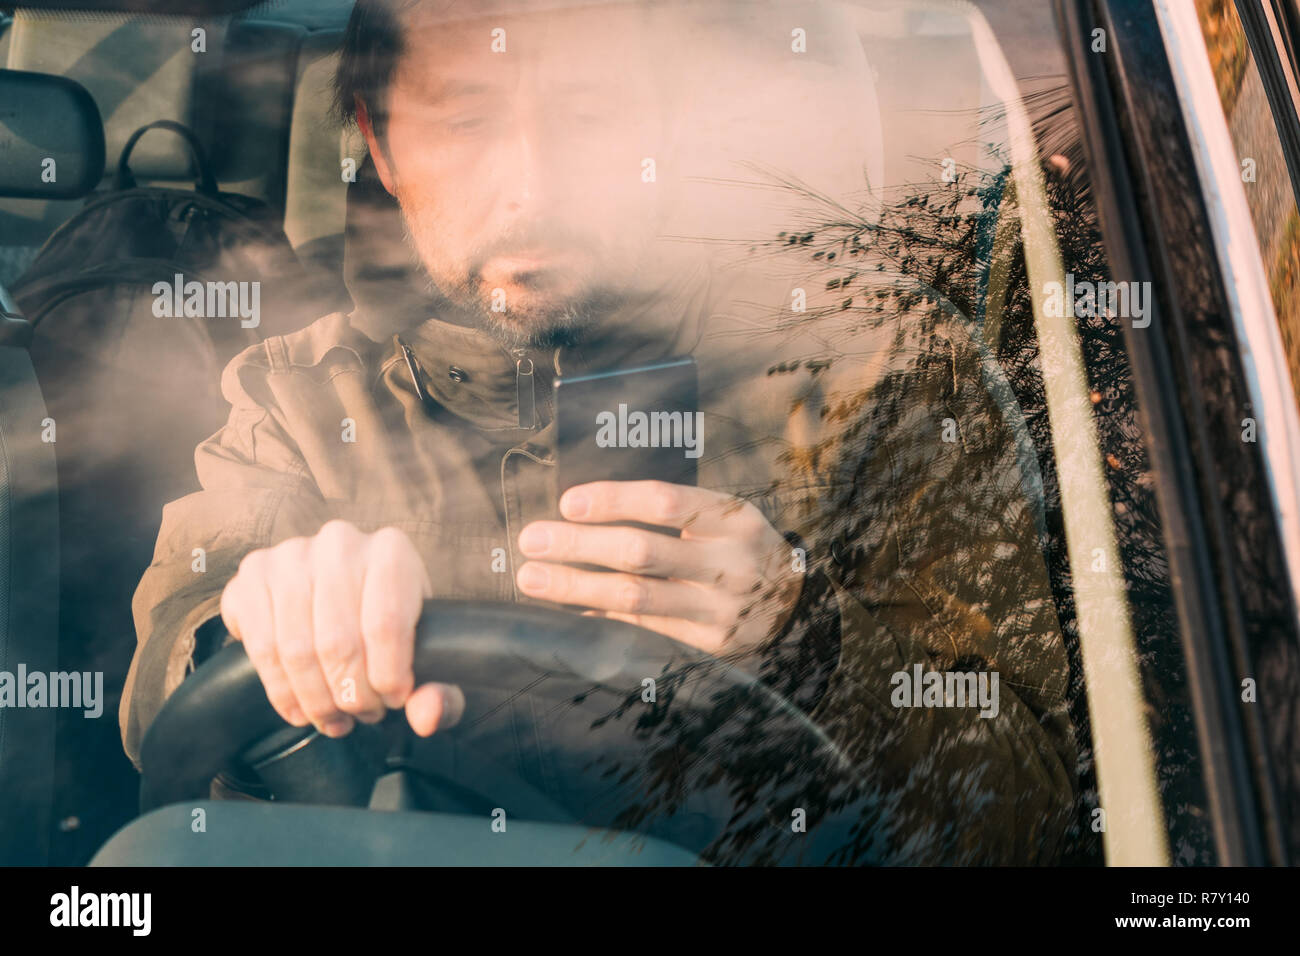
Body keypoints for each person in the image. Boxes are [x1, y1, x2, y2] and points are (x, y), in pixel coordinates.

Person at [121, 0, 1076, 864]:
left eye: (590, 117)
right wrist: (249, 632)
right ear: (381, 143)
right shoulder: (297, 398)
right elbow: (168, 677)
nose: (535, 186)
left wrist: (809, 641)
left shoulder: (878, 371)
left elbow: (1027, 817)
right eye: (465, 119)